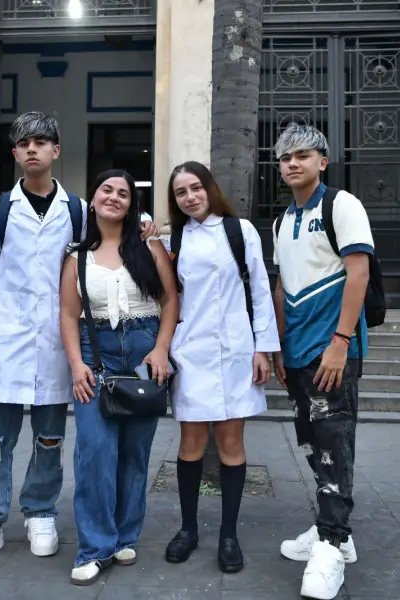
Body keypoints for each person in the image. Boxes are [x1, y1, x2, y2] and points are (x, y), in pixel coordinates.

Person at [0, 112, 157, 567]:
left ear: (56, 152)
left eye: (42, 142)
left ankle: (40, 510)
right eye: (24, 143)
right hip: (4, 338)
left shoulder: (79, 210)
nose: (32, 149)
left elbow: (108, 249)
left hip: (60, 342)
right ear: (15, 154)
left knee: (49, 434)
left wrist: (145, 228)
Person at [59, 170, 179, 586]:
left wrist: (162, 348)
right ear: (92, 200)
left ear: (131, 205)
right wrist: (76, 365)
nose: (114, 197)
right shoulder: (76, 255)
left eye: (123, 193)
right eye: (106, 190)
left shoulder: (148, 246)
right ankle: (94, 547)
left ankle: (125, 534)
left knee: (134, 452)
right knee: (94, 453)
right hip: (96, 356)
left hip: (145, 352)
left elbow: (170, 300)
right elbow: (68, 314)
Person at [163, 161, 281, 573]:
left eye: (196, 188)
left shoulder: (240, 230)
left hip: (235, 350)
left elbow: (261, 290)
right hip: (191, 352)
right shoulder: (174, 237)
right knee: (191, 444)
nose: (190, 197)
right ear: (174, 200)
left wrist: (263, 349)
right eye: (181, 192)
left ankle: (228, 534)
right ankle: (189, 528)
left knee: (232, 445)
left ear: (210, 188)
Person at [271, 123, 370, 600]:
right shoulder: (280, 220)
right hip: (296, 354)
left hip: (333, 350)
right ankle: (336, 533)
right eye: (286, 157)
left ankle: (331, 545)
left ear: (322, 161)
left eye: (302, 155)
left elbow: (359, 272)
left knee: (334, 444)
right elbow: (281, 284)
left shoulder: (342, 204)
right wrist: (276, 345)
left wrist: (341, 340)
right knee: (311, 443)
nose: (292, 163)